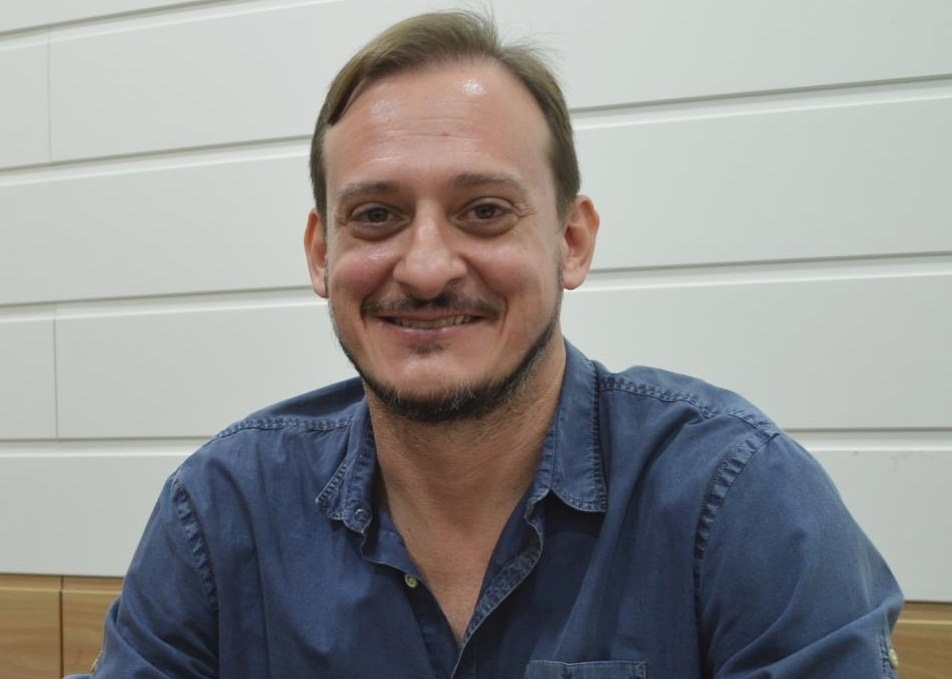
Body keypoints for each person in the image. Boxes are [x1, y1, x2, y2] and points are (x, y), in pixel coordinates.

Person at [72, 10, 903, 679]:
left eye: (485, 211)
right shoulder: (224, 514)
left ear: (572, 241)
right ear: (322, 254)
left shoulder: (736, 500)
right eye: (377, 216)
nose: (426, 267)